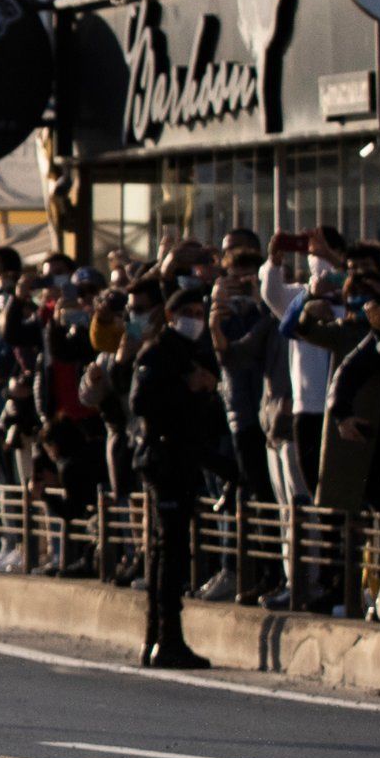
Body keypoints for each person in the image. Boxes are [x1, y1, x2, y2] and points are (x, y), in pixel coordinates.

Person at [129, 285, 228, 667]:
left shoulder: (194, 350)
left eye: (199, 312)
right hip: (164, 458)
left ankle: (160, 638)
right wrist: (187, 387)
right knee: (167, 551)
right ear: (170, 316)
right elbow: (142, 402)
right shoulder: (160, 351)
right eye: (188, 311)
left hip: (185, 457)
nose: (196, 319)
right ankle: (164, 639)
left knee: (167, 550)